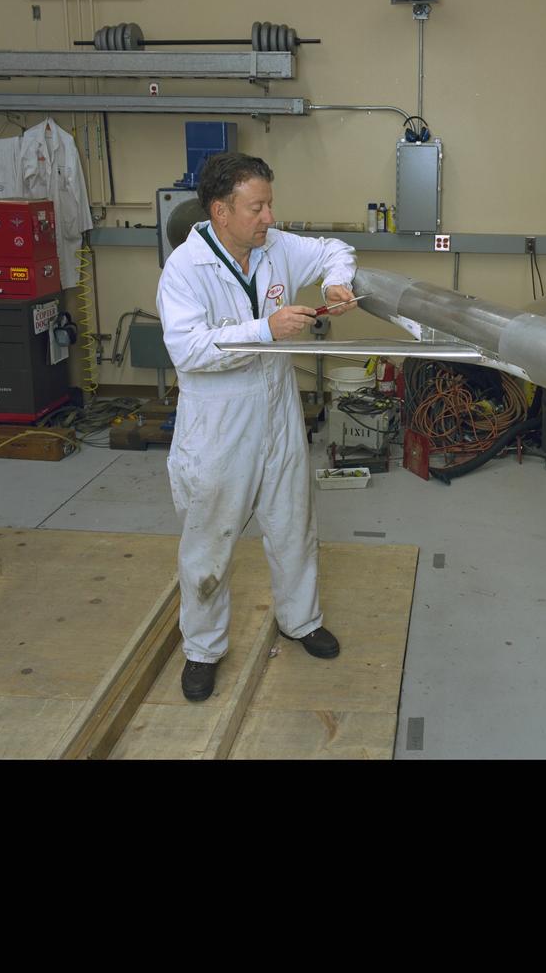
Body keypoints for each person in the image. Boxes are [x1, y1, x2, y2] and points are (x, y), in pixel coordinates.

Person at [156, 153, 357, 702]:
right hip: (219, 423)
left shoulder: (274, 246)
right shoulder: (185, 270)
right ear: (221, 212)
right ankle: (202, 650)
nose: (269, 217)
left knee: (293, 522)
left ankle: (301, 620)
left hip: (278, 408)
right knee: (209, 542)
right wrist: (266, 330)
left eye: (269, 204)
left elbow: (336, 251)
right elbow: (188, 350)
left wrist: (336, 284)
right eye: (257, 208)